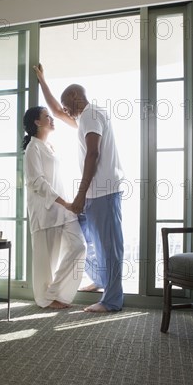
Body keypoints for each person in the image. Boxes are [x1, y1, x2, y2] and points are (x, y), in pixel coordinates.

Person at [33, 64, 125, 313]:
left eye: (66, 104)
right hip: (96, 193)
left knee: (109, 245)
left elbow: (92, 154)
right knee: (83, 237)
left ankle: (112, 300)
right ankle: (100, 279)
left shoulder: (91, 114)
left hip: (103, 192)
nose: (63, 111)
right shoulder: (84, 117)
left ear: (75, 98)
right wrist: (43, 81)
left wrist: (80, 195)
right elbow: (56, 111)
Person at [23, 106, 86, 310]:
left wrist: (72, 203)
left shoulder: (50, 147)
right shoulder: (32, 149)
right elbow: (37, 182)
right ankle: (46, 299)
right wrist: (65, 203)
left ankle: (54, 292)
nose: (52, 119)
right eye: (47, 116)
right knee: (45, 261)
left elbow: (59, 179)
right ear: (37, 122)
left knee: (79, 246)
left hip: (64, 209)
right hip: (45, 211)